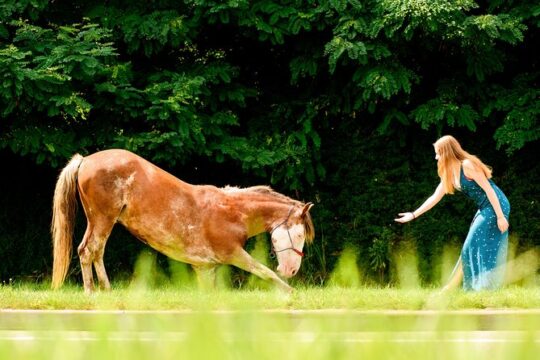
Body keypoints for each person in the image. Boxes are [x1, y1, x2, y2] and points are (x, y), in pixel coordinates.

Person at [395, 135, 510, 291]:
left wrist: (500, 216)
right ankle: (466, 288)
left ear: (447, 152)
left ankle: (473, 288)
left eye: (438, 153)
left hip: (496, 205)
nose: (436, 157)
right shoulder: (449, 173)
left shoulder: (468, 165)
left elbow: (489, 190)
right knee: (470, 247)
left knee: (474, 244)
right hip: (484, 208)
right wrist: (414, 214)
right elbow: (435, 197)